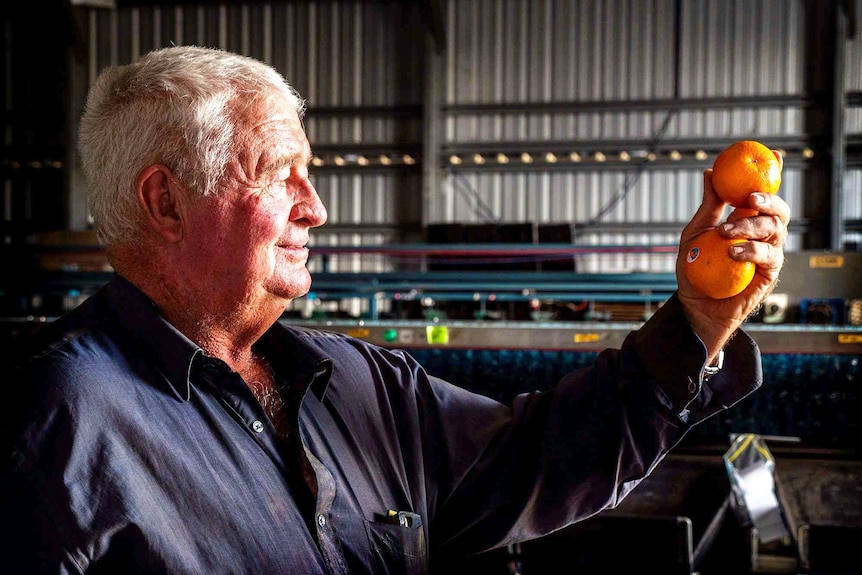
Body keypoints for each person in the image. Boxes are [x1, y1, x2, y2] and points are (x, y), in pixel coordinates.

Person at [1, 45, 790, 574]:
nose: (316, 206)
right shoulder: (59, 424)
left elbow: (537, 458)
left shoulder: (353, 380)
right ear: (164, 202)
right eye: (281, 174)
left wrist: (697, 320)